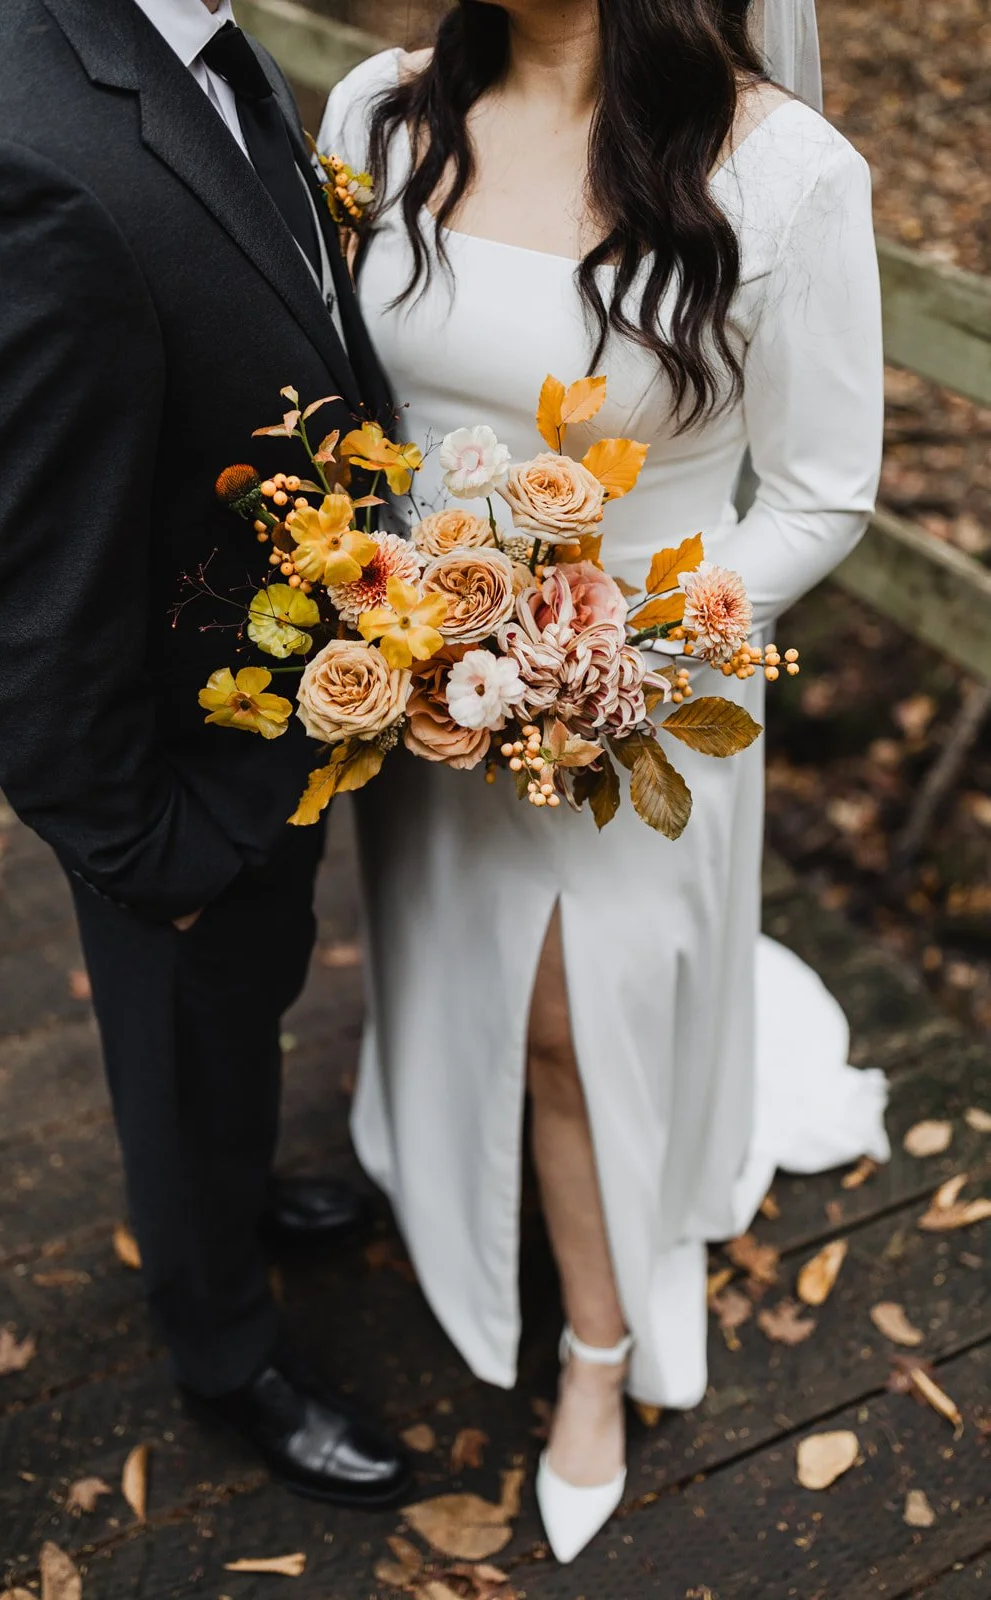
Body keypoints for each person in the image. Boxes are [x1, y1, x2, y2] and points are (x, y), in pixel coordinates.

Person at [319, 0, 890, 1561]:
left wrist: (622, 649)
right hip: (426, 670)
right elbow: (354, 403)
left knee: (571, 1022)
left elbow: (827, 487)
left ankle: (597, 1347)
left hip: (633, 688)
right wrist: (389, 604)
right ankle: (429, 1137)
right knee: (436, 938)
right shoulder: (377, 113)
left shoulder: (783, 178)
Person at [0, 0, 411, 1507]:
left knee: (239, 1017)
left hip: (270, 715)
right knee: (184, 1045)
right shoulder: (15, 152)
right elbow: (19, 595)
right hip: (176, 774)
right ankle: (221, 1347)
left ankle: (246, 1192)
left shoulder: (188, 33)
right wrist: (149, 853)